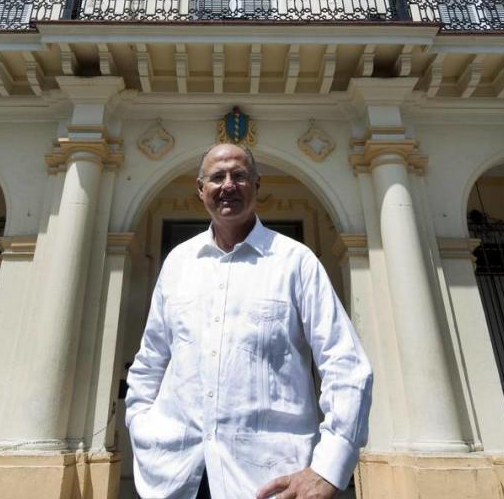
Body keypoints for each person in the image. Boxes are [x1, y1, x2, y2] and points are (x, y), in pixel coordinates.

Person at [125, 143, 373, 499]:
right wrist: (141, 423)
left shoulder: (294, 261)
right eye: (217, 177)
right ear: (200, 189)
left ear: (257, 185)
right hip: (178, 476)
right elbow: (150, 361)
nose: (228, 185)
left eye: (239, 176)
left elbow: (346, 365)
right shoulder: (178, 263)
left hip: (267, 481)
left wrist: (328, 470)